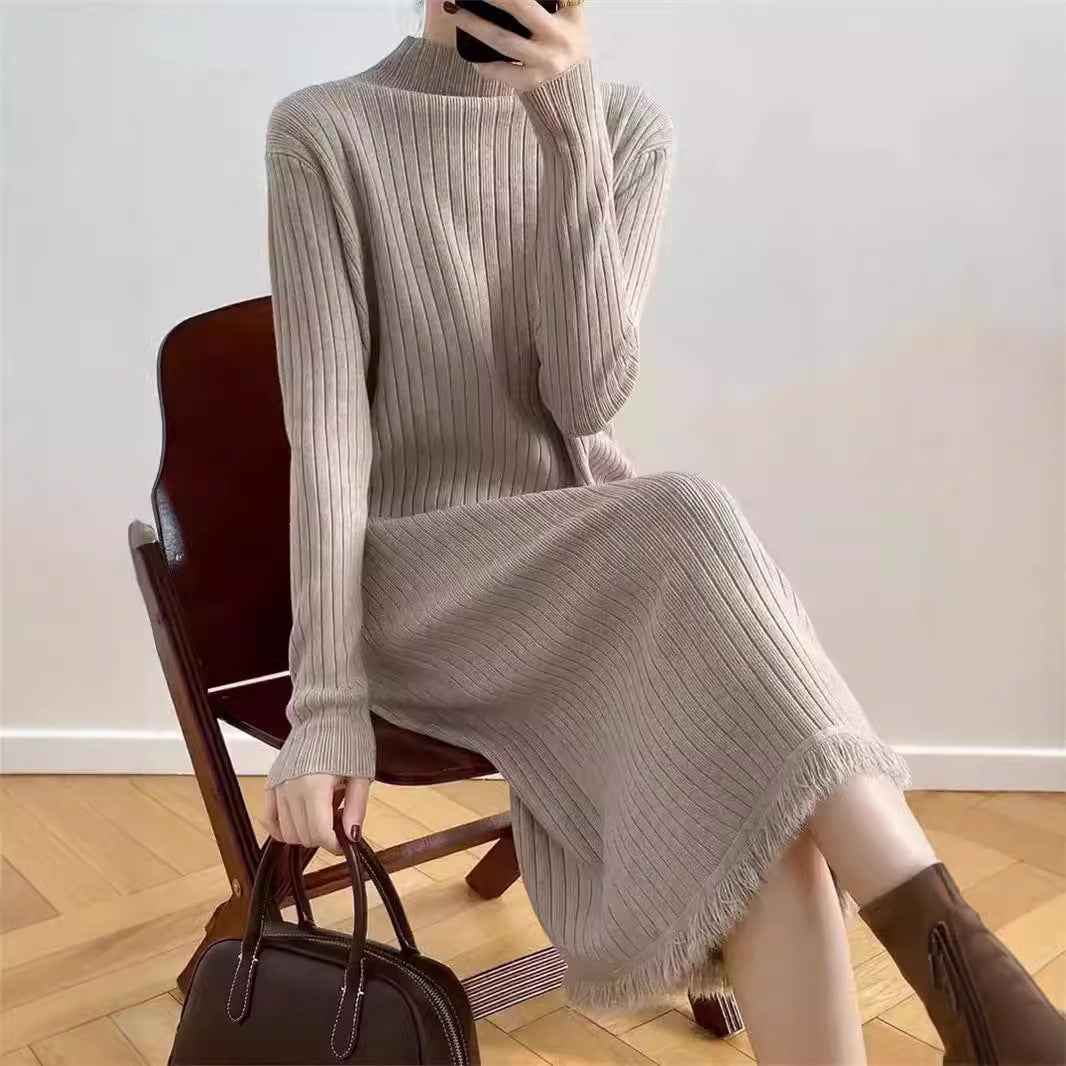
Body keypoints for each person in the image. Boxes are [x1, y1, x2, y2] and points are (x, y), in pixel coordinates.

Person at [260, 1, 1064, 1062]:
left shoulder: (622, 128)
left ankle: (975, 1008)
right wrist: (324, 706)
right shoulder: (324, 130)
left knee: (757, 788)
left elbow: (585, 394)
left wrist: (567, 128)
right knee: (688, 514)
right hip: (426, 582)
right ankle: (989, 1003)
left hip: (593, 574)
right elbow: (327, 435)